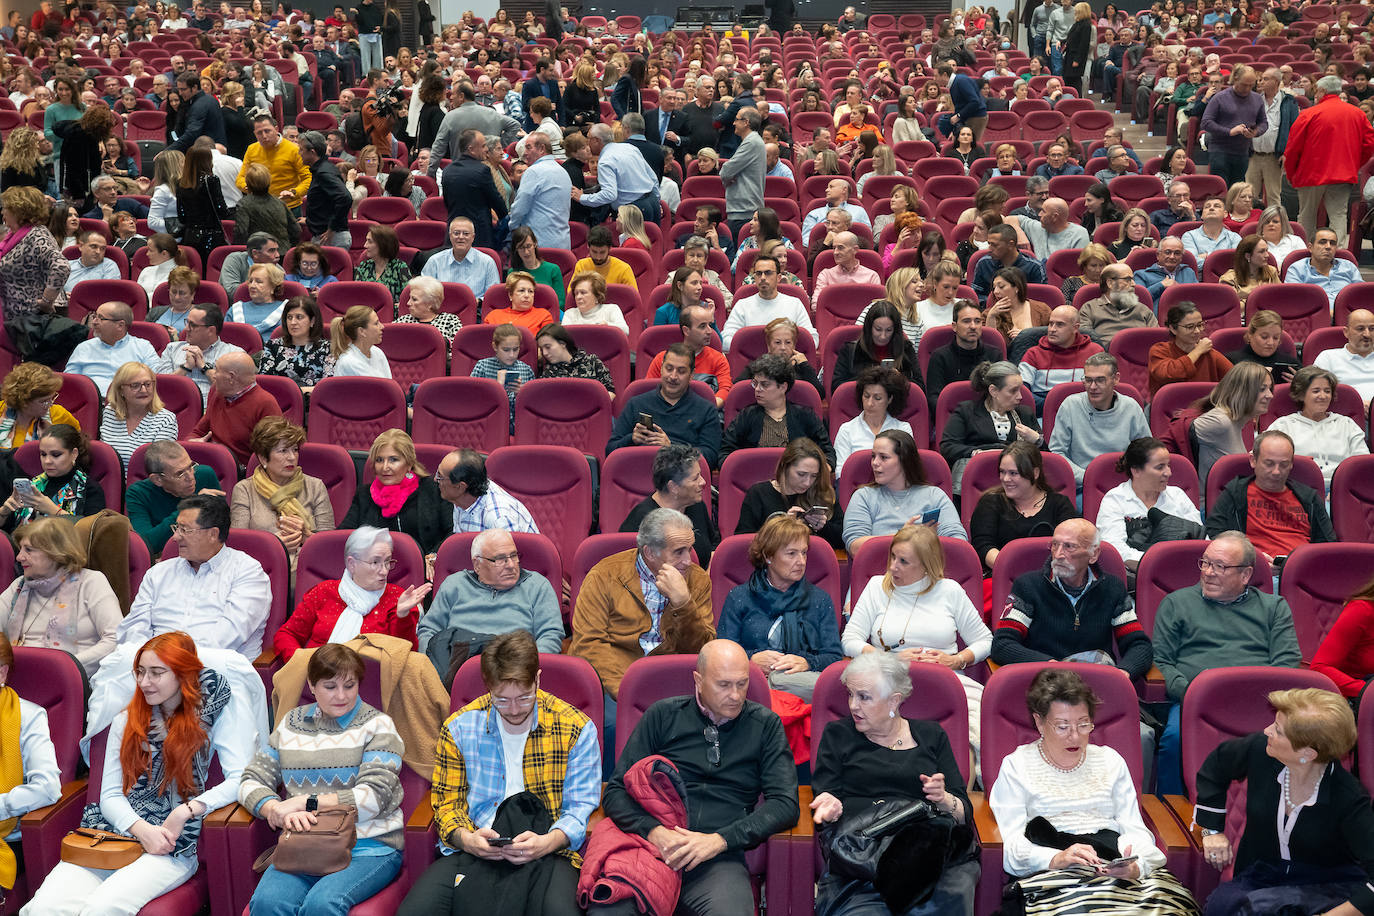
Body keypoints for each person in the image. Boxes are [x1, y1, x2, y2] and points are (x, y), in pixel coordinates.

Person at [20, 631, 251, 916]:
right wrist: (141, 829)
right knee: (44, 908)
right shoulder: (127, 718)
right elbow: (110, 794)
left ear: (183, 673)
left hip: (171, 844)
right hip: (112, 833)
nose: (144, 682)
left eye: (157, 673)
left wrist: (186, 811)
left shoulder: (210, 714)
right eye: (140, 672)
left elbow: (240, 777)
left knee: (102, 909)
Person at [587, 640, 798, 916]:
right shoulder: (662, 716)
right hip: (650, 850)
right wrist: (654, 832)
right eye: (723, 685)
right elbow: (615, 791)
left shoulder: (765, 725)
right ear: (698, 680)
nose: (735, 695)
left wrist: (718, 840)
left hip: (718, 858)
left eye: (742, 684)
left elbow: (785, 804)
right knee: (607, 912)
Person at [399, 629, 600, 916]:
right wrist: (467, 840)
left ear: (538, 679)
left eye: (524, 697)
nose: (515, 709)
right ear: (488, 687)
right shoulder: (459, 727)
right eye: (502, 700)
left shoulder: (575, 727)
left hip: (548, 850)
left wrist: (546, 843)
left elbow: (579, 808)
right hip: (477, 846)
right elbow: (447, 804)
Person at [988, 668, 1195, 912]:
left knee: (1173, 907)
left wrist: (1136, 866)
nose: (1075, 736)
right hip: (1052, 866)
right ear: (1039, 722)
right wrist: (1055, 859)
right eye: (1063, 726)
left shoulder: (1110, 760)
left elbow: (1135, 830)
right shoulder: (1017, 765)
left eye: (1083, 724)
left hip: (1112, 862)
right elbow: (1011, 846)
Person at [810, 650, 981, 915]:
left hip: (927, 859)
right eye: (851, 694)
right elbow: (826, 794)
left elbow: (964, 811)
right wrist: (830, 806)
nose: (853, 705)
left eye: (864, 697)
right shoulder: (838, 735)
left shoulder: (932, 735)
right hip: (863, 860)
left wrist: (944, 799)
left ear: (894, 701)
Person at [240, 641, 406, 913]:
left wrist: (305, 804)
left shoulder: (378, 725)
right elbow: (250, 780)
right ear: (312, 685)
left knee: (322, 905)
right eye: (330, 686)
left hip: (368, 846)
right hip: (304, 844)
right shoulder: (291, 723)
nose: (341, 695)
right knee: (267, 903)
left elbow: (373, 798)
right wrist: (275, 809)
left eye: (350, 685)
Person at [1195, 688, 1374, 915]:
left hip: (1326, 885)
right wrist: (1212, 830)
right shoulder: (1260, 749)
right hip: (1260, 875)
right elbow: (1216, 766)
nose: (1266, 730)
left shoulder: (1349, 798)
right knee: (1222, 907)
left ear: (1308, 753)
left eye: (1278, 731)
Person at [1153, 531, 1301, 794]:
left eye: (1220, 566)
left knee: (1305, 737)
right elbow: (1162, 661)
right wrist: (1192, 693)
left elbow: (1286, 664)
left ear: (1245, 575)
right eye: (1205, 563)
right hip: (1196, 700)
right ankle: (1170, 807)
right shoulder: (1176, 603)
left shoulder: (1274, 607)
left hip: (1262, 704)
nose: (1208, 572)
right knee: (1174, 739)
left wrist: (1258, 698)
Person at [570, 507, 714, 701]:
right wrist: (626, 693)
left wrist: (683, 604)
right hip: (613, 683)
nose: (688, 561)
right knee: (614, 725)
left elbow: (703, 651)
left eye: (689, 549)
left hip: (672, 680)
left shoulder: (698, 581)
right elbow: (589, 644)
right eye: (678, 552)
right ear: (650, 553)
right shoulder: (603, 575)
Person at [992, 513, 1152, 678]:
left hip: (1095, 681)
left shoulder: (1112, 588)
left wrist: (1123, 673)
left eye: (1069, 546)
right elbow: (1002, 644)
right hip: (1044, 682)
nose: (1058, 554)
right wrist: (1050, 665)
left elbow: (1139, 645)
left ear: (1093, 555)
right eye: (1055, 545)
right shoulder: (1028, 586)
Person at [119, 494, 272, 657]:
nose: (175, 537)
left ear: (213, 534)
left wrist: (169, 662)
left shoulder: (247, 573)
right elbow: (134, 627)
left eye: (185, 530)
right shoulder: (159, 573)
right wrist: (144, 659)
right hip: (150, 665)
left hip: (215, 668)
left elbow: (225, 639)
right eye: (176, 528)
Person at [715, 514, 842, 703]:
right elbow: (723, 651)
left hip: (802, 685)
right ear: (768, 556)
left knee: (837, 687)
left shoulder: (819, 599)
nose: (801, 561)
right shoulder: (740, 597)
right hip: (753, 684)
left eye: (804, 552)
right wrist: (751, 659)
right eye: (791, 553)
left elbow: (833, 656)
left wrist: (807, 662)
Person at [0, 516, 121, 677]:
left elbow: (116, 639)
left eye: (28, 550)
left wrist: (63, 669)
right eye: (20, 549)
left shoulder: (91, 582)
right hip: (19, 677)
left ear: (56, 552)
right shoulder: (20, 585)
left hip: (73, 681)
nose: (19, 557)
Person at [1204, 430, 1336, 561]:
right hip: (1252, 570)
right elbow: (1216, 535)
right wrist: (1251, 560)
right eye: (1269, 463)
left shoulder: (1309, 498)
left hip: (1301, 570)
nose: (1276, 472)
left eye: (1284, 464)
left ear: (1291, 464)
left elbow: (1327, 545)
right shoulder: (1235, 493)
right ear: (1253, 460)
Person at [230, 416, 334, 566]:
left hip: (307, 565)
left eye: (295, 450)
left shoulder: (315, 486)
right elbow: (239, 544)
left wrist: (307, 537)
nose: (292, 457)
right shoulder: (244, 490)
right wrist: (274, 545)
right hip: (259, 566)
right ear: (263, 458)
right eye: (283, 451)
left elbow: (328, 545)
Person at [1284, 75, 1374, 248]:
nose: (1315, 94)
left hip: (1310, 175)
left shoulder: (1308, 114)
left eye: (1317, 90)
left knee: (1306, 215)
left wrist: (1291, 172)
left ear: (1323, 91)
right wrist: (1353, 165)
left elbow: (1293, 148)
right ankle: (1337, 252)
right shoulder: (1357, 113)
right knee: (1339, 215)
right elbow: (1369, 145)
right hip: (1343, 174)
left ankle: (1305, 251)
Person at [845, 429, 965, 554]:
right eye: (873, 456)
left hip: (927, 571)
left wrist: (927, 540)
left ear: (904, 460)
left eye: (883, 457)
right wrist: (904, 537)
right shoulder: (864, 496)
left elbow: (959, 542)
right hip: (881, 571)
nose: (875, 463)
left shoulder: (934, 495)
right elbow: (854, 546)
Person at [1095, 435, 1203, 572]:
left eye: (1168, 465)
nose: (1168, 473)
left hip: (1183, 570)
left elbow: (1200, 538)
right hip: (1135, 574)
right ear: (1136, 471)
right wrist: (1158, 562)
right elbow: (1115, 549)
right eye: (1160, 467)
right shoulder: (1115, 499)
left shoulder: (1177, 495)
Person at [1048, 353, 1151, 492]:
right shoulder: (1070, 405)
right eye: (1088, 380)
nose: (1092, 387)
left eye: (1100, 380)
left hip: (1125, 485)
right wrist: (1089, 478)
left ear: (1116, 379)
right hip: (1083, 486)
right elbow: (1057, 453)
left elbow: (1147, 452)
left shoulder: (1131, 407)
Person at [970, 442, 1080, 571]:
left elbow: (1071, 546)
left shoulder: (1060, 504)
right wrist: (1015, 569)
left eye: (1013, 473)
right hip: (1003, 576)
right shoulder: (991, 502)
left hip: (1051, 576)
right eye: (1002, 472)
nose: (1005, 479)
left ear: (1035, 473)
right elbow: (983, 547)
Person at [341, 429, 451, 557]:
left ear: (409, 463)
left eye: (393, 460)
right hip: (375, 568)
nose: (385, 467)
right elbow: (344, 535)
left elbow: (452, 532)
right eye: (379, 460)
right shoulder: (364, 494)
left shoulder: (433, 489)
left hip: (426, 569)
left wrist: (434, 556)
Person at [940, 360, 1044, 493]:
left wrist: (1037, 440)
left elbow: (1044, 455)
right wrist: (976, 453)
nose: (1020, 396)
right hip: (977, 482)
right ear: (993, 391)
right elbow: (948, 447)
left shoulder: (1024, 413)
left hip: (1018, 485)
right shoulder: (966, 411)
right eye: (1013, 391)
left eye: (1020, 390)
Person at [619, 444, 720, 568]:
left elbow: (713, 545)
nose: (703, 482)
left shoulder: (696, 505)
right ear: (673, 487)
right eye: (695, 479)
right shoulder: (641, 520)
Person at [1267, 366, 1369, 490]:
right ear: (1301, 395)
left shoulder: (1347, 424)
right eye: (1316, 391)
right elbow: (1263, 458)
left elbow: (1362, 464)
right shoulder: (1283, 425)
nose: (1323, 396)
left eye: (1327, 391)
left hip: (1342, 488)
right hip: (1297, 489)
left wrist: (1342, 491)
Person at [735, 438, 845, 549]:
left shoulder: (823, 493)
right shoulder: (758, 494)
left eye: (814, 476)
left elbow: (844, 540)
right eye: (801, 474)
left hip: (816, 563)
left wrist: (823, 527)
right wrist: (784, 527)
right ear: (785, 466)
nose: (807, 483)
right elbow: (743, 543)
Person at [124, 442, 226, 554]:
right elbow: (146, 545)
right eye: (180, 473)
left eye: (191, 466)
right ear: (157, 479)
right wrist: (192, 507)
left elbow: (222, 531)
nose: (191, 477)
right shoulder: (138, 493)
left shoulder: (205, 475)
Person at [189, 351, 283, 466]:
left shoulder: (265, 404)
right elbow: (198, 432)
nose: (213, 375)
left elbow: (271, 454)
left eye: (217, 370)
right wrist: (192, 444)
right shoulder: (218, 392)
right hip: (210, 460)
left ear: (231, 377)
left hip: (241, 472)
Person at [1191, 361, 1274, 485]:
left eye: (1269, 388)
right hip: (1210, 502)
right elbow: (1180, 434)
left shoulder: (1240, 421)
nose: (1270, 395)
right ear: (1242, 391)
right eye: (1262, 389)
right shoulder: (1220, 422)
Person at [433, 448, 539, 538]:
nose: (435, 479)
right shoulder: (461, 498)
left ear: (460, 487)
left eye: (440, 476)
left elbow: (508, 561)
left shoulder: (498, 520)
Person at [154, 304, 246, 405]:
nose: (186, 329)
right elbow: (161, 387)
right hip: (172, 407)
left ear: (211, 330)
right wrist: (185, 368)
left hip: (212, 410)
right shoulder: (172, 349)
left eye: (192, 325)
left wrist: (204, 367)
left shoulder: (234, 354)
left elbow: (233, 390)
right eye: (187, 322)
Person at [724, 254, 817, 352]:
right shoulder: (742, 305)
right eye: (759, 274)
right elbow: (726, 340)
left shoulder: (795, 304)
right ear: (754, 277)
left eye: (768, 273)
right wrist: (760, 348)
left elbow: (812, 339)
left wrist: (783, 347)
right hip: (751, 363)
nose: (763, 278)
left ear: (779, 277)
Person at [1017, 306, 1105, 407]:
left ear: (1075, 328)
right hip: (1043, 410)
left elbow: (1103, 388)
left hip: (1084, 410)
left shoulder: (1095, 352)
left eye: (1060, 325)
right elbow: (1021, 392)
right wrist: (1056, 405)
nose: (1052, 329)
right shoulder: (1033, 353)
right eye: (1050, 324)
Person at [1147, 302, 1234, 396]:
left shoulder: (1209, 353)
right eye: (1190, 327)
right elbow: (1167, 374)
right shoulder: (1160, 350)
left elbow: (1236, 378)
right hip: (1167, 407)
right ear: (1173, 328)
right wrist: (1198, 351)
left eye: (1200, 325)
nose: (1197, 331)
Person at [1200, 66, 1266, 187]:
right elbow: (1206, 122)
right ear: (1235, 79)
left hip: (1243, 152)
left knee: (1237, 192)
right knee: (1221, 189)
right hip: (1220, 151)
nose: (1247, 88)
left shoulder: (1257, 99)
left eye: (1251, 85)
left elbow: (1263, 123)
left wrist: (1255, 132)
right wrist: (1229, 131)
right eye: (1244, 84)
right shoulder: (1220, 97)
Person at [508, 133, 572, 252]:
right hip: (562, 242)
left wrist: (512, 227)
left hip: (538, 244)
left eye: (528, 147)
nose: (524, 153)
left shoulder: (533, 171)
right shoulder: (562, 171)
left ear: (542, 148)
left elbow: (520, 208)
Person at [258, 296, 335, 394]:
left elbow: (327, 388)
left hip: (315, 404)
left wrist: (292, 392)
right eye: (289, 317)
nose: (293, 322)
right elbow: (265, 382)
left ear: (312, 321)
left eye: (299, 317)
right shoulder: (273, 346)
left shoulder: (328, 348)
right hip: (279, 402)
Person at [0, 362, 78, 449]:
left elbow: (78, 447)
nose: (50, 404)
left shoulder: (59, 414)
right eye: (43, 401)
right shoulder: (1, 410)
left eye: (52, 397)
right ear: (24, 402)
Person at [295, 131, 352, 249]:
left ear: (312, 152)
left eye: (301, 150)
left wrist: (332, 227)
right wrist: (311, 220)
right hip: (326, 235)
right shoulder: (321, 169)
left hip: (332, 238)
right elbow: (325, 202)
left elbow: (345, 198)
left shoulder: (324, 172)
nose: (299, 153)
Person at [1287, 227, 1359, 310]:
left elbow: (1361, 295)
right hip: (1312, 316)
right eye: (1322, 242)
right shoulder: (1297, 269)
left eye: (1332, 243)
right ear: (1310, 247)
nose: (1328, 247)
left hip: (1349, 316)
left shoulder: (1348, 266)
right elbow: (1293, 301)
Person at [972, 225, 1047, 305]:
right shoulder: (984, 263)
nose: (989, 249)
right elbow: (976, 296)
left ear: (1011, 244)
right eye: (989, 244)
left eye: (994, 245)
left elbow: (1040, 300)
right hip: (990, 311)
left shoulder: (1034, 268)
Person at [234, 162, 299, 250]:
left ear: (247, 183)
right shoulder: (280, 203)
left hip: (258, 254)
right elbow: (296, 230)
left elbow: (241, 233)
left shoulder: (243, 204)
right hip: (282, 253)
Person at [535, 324, 615, 393]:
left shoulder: (592, 361)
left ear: (562, 343)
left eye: (548, 347)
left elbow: (610, 391)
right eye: (542, 349)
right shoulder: (548, 373)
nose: (544, 353)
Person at [227, 263, 289, 338]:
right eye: (250, 281)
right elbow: (225, 338)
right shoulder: (235, 309)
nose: (252, 286)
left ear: (273, 287)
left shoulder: (287, 310)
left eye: (259, 282)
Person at [330, 305, 390, 379]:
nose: (382, 327)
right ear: (361, 331)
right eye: (376, 323)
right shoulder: (348, 362)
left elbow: (389, 385)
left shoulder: (377, 352)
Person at [1217, 234, 1279, 305]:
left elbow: (1280, 298)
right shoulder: (1228, 279)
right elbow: (1232, 308)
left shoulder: (1271, 271)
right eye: (1262, 252)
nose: (1267, 255)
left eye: (1266, 250)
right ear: (1248, 256)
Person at [218, 232, 281, 297]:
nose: (277, 255)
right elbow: (231, 291)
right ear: (255, 253)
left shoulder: (277, 268)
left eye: (277, 250)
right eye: (271, 251)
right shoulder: (235, 260)